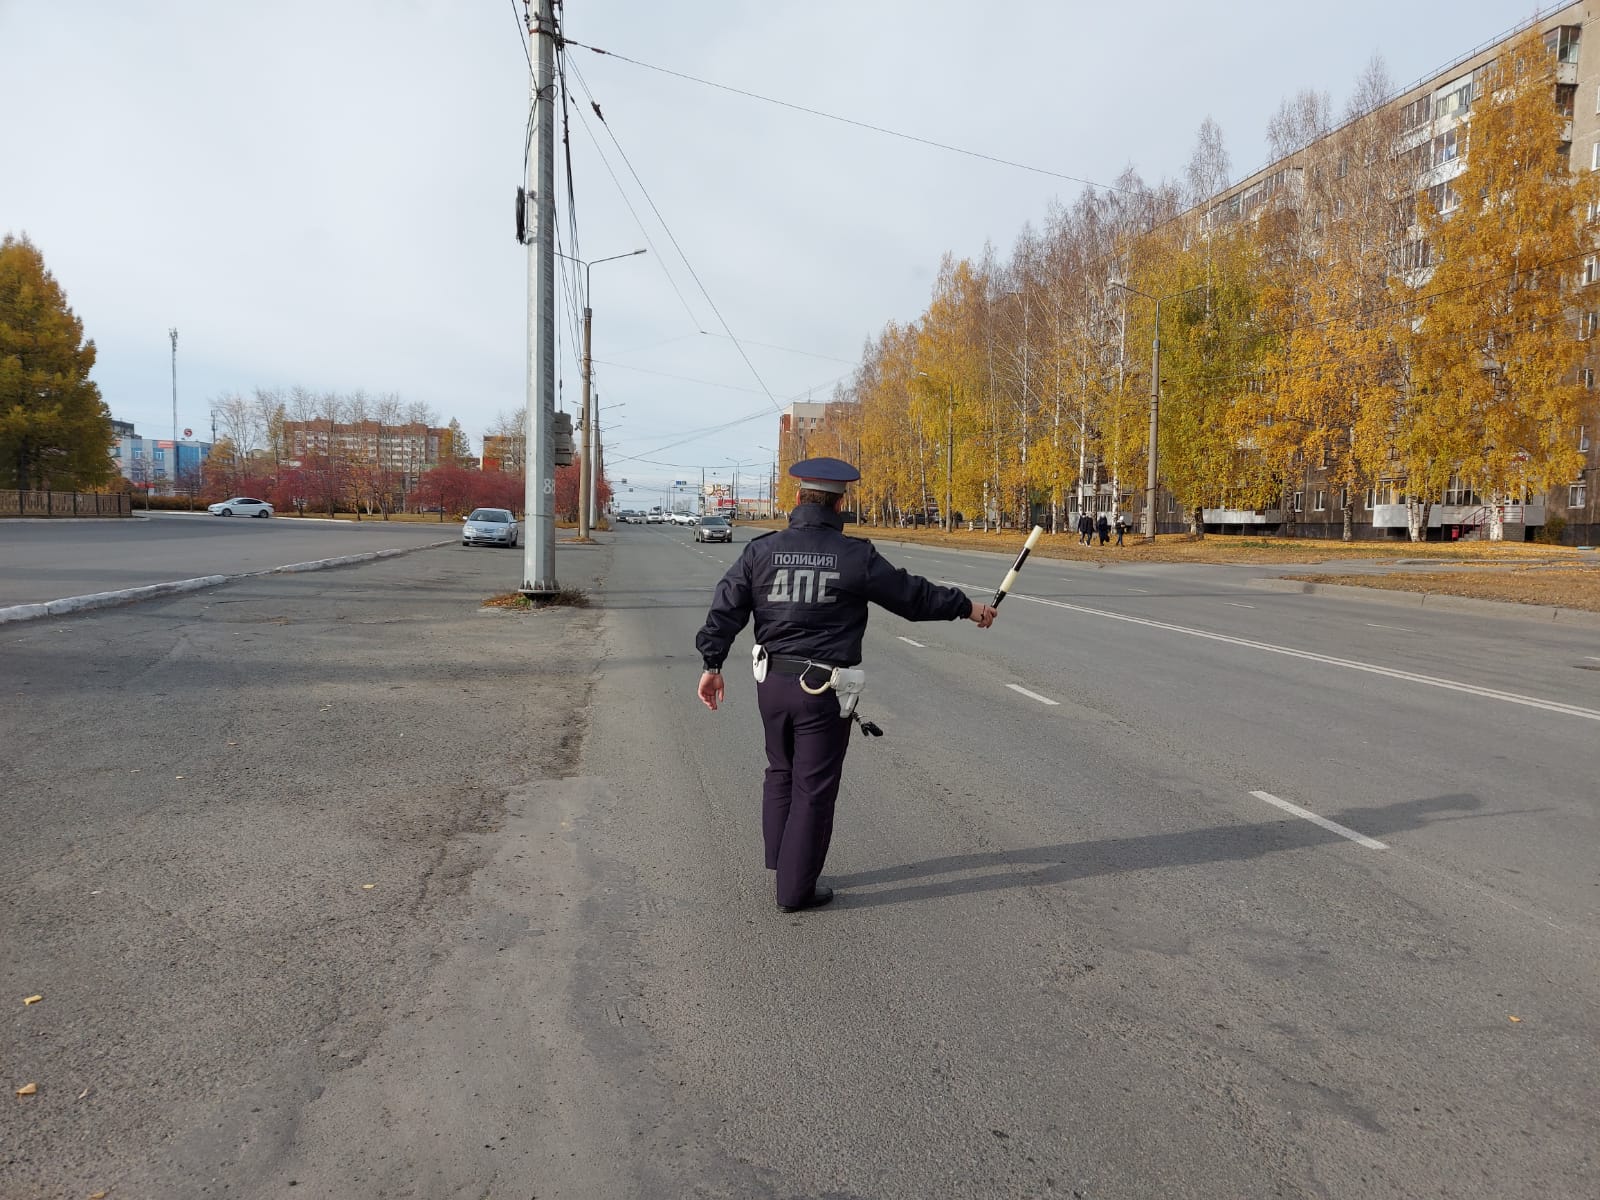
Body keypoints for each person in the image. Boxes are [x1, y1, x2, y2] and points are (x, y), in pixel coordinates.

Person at [694, 457, 998, 913]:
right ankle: (795, 891)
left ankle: (783, 861)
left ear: (798, 499)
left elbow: (727, 606)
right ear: (840, 503)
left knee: (780, 769)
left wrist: (711, 662)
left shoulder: (761, 551)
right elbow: (912, 596)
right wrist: (966, 607)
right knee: (814, 787)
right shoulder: (855, 556)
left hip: (771, 682)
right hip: (822, 689)